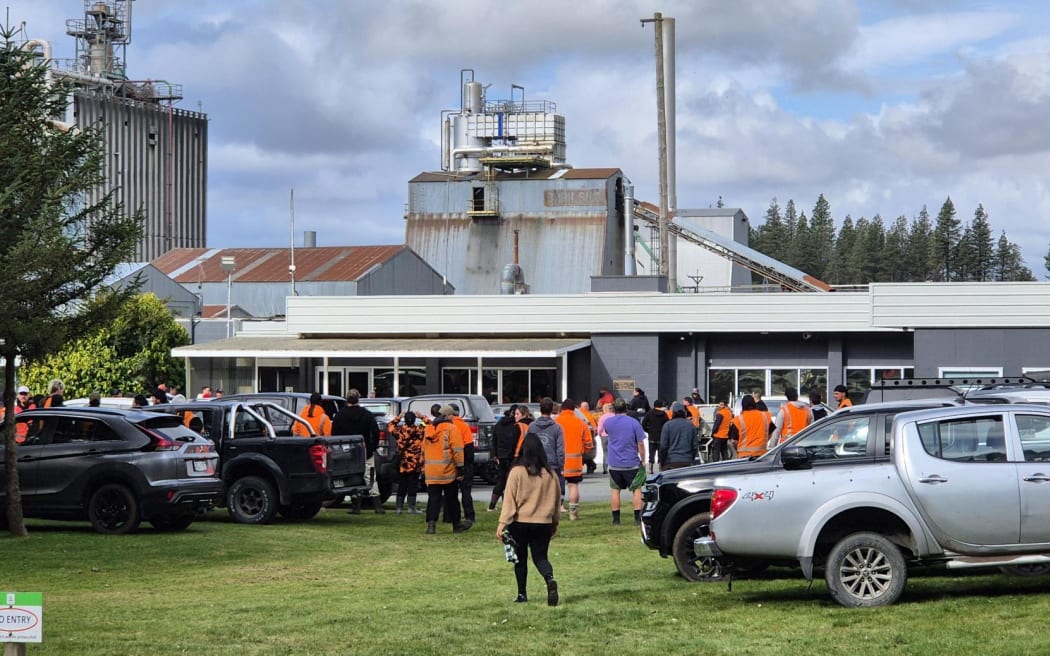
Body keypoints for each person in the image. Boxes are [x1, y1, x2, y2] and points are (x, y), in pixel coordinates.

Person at [496, 432, 561, 606]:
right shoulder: (551, 474)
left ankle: (522, 594)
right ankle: (549, 579)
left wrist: (502, 524)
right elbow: (556, 501)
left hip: (520, 523)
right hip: (544, 523)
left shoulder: (517, 472)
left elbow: (509, 500)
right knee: (541, 557)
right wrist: (554, 522)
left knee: (520, 559)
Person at [333, 389, 384, 514]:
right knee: (370, 476)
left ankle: (356, 505)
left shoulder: (340, 415)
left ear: (347, 399)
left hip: (348, 451)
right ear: (358, 399)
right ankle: (377, 505)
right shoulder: (366, 414)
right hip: (365, 449)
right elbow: (376, 432)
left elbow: (334, 434)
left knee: (352, 477)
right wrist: (373, 447)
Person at [423, 404, 469, 534]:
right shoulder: (451, 429)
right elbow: (457, 450)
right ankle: (456, 524)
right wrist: (460, 468)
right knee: (452, 499)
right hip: (447, 470)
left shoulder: (429, 428)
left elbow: (423, 449)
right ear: (448, 416)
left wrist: (423, 467)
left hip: (431, 472)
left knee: (433, 499)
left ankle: (431, 526)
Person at [603, 398, 647, 526]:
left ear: (614, 409)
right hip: (631, 461)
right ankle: (637, 518)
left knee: (615, 490)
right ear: (626, 409)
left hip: (614, 462)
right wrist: (643, 460)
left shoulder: (608, 422)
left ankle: (616, 519)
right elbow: (640, 443)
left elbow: (607, 433)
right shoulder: (634, 423)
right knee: (637, 489)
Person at [554, 398, 592, 521]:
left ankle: (555, 511)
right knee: (573, 486)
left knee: (555, 487)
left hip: (557, 462)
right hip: (575, 461)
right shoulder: (580, 422)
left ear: (562, 409)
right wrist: (582, 452)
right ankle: (573, 514)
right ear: (573, 409)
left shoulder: (556, 422)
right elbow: (589, 443)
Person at [525, 398, 565, 506]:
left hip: (535, 462)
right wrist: (562, 466)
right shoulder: (557, 428)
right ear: (552, 409)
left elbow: (527, 446)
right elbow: (560, 449)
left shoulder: (532, 426)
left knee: (536, 489)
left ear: (540, 409)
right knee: (552, 490)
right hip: (552, 462)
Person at [489, 404, 527, 511]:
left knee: (501, 480)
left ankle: (492, 505)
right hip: (512, 456)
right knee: (512, 481)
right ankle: (509, 504)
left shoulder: (499, 424)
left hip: (501, 456)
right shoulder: (517, 426)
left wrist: (495, 454)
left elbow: (494, 439)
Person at [390, 411, 425, 515]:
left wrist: (398, 417)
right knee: (413, 485)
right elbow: (431, 425)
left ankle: (399, 508)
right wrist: (422, 416)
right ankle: (411, 507)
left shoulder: (400, 431)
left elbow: (390, 426)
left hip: (404, 462)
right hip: (415, 462)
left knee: (402, 484)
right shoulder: (419, 430)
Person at [449, 403, 476, 528]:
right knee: (466, 491)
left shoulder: (446, 426)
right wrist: (468, 464)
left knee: (451, 492)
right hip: (464, 461)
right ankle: (469, 516)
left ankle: (450, 516)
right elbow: (469, 447)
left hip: (449, 462)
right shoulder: (464, 426)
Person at [659, 401, 698, 470]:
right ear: (684, 412)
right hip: (687, 461)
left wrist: (662, 462)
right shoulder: (691, 425)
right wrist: (691, 459)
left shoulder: (667, 425)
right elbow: (695, 446)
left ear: (673, 412)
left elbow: (663, 446)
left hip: (671, 462)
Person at [732, 394, 769, 459]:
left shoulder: (738, 420)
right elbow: (771, 432)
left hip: (744, 456)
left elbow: (734, 441)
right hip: (762, 454)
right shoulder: (765, 416)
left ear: (743, 405)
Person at [641, 399, 669, 473]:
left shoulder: (649, 413)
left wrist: (648, 431)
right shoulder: (664, 414)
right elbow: (667, 425)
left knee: (651, 453)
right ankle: (660, 467)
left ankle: (651, 468)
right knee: (660, 453)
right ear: (661, 406)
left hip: (652, 436)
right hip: (661, 436)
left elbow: (643, 424)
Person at [577, 401, 599, 474]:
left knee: (585, 455)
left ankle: (591, 465)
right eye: (585, 406)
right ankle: (591, 465)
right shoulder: (588, 415)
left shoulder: (582, 414)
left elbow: (594, 428)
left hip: (583, 438)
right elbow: (595, 428)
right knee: (586, 455)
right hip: (587, 437)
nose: (586, 408)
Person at [595, 402, 614, 474]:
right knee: (613, 452)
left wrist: (599, 434)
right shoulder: (614, 416)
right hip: (613, 436)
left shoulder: (602, 417)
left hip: (604, 436)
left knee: (605, 452)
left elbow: (599, 428)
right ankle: (612, 467)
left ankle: (605, 468)